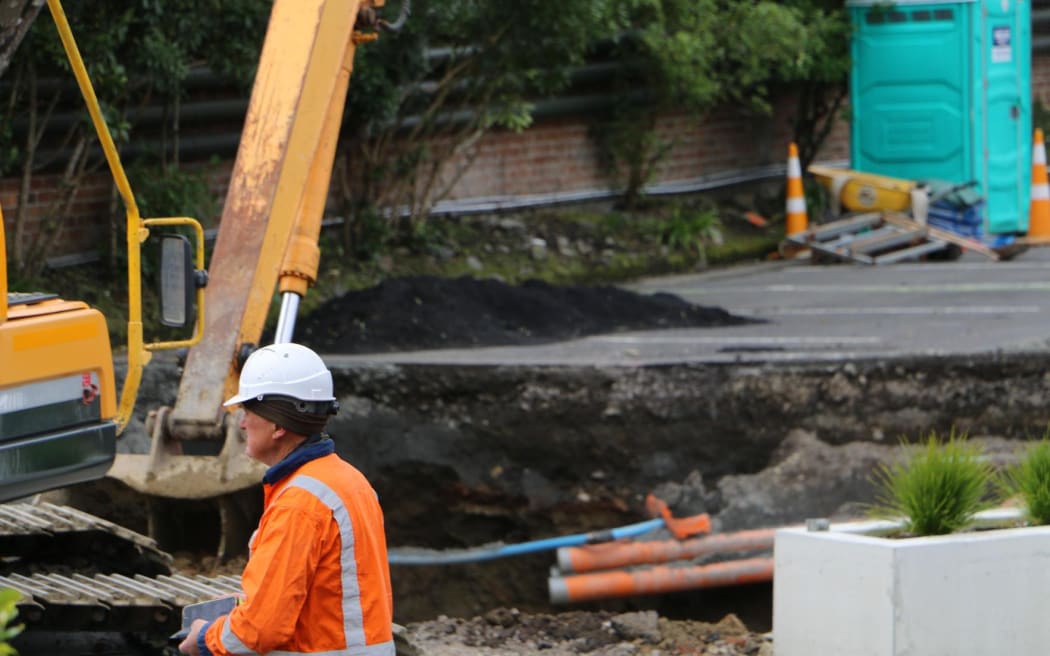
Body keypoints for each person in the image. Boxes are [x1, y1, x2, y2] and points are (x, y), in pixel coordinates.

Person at [179, 342, 394, 656]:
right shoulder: (348, 480)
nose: (240, 423)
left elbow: (259, 632)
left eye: (247, 412)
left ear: (277, 426)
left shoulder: (299, 503)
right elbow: (325, 593)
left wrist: (203, 639)